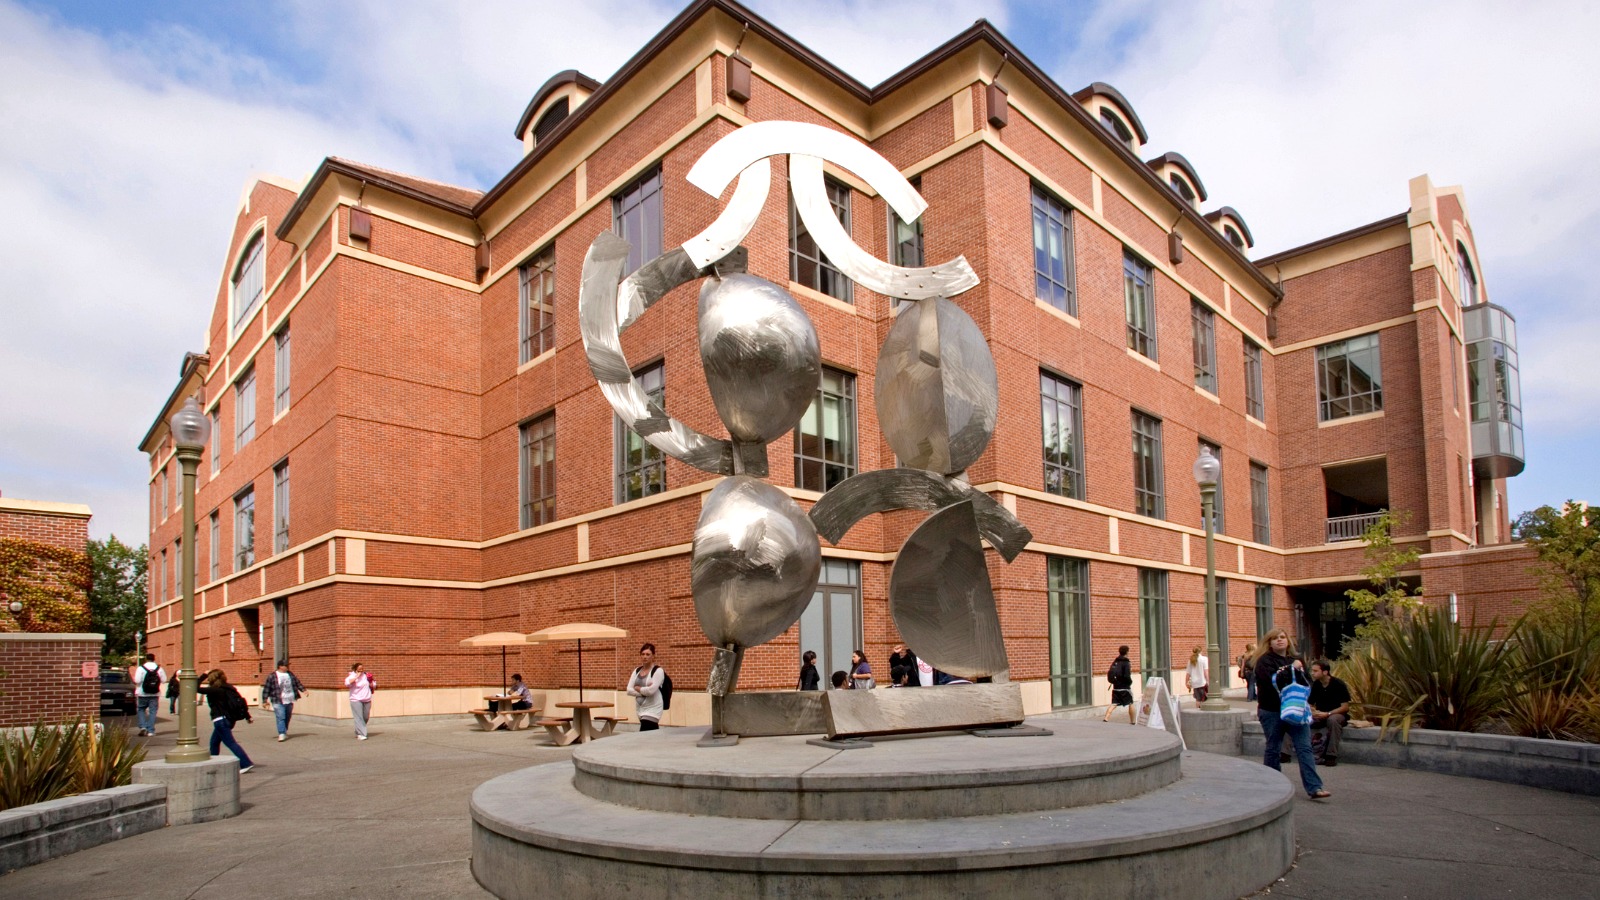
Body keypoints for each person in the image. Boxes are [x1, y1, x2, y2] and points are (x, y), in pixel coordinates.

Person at [1251, 629, 1330, 800]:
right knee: (1274, 748)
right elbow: (1272, 682)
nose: (1279, 640)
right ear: (1269, 643)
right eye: (1275, 638)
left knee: (1304, 747)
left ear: (1288, 641)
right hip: (1272, 710)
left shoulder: (1296, 659)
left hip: (1296, 709)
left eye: (1282, 637)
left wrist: (1297, 672)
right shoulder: (1264, 661)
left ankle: (1315, 787)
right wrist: (1290, 669)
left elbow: (1307, 682)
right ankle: (1273, 785)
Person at [196, 669, 254, 773]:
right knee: (214, 742)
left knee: (230, 743)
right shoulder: (229, 688)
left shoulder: (215, 690)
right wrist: (247, 716)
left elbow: (195, 688)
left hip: (220, 720)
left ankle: (246, 763)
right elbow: (240, 702)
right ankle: (213, 763)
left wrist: (203, 675)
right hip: (229, 719)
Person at [1308, 659, 1351, 766]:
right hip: (1320, 714)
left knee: (1333, 720)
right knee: (1297, 719)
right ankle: (1288, 753)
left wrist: (1328, 713)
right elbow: (1310, 703)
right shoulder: (1316, 685)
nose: (1312, 673)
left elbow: (1345, 707)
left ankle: (1331, 756)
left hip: (1336, 714)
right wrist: (1313, 711)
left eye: (1315, 671)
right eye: (1312, 671)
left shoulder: (1338, 684)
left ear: (1325, 672)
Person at [260, 661, 306, 742]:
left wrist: (303, 690)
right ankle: (281, 733)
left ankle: (284, 730)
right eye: (286, 666)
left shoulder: (290, 674)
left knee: (287, 716)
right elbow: (267, 688)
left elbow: (297, 682)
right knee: (281, 716)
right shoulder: (272, 676)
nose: (287, 667)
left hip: (289, 699)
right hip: (277, 700)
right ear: (280, 666)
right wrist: (264, 700)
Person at [625, 643, 666, 730]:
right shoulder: (637, 670)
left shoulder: (658, 671)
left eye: (648, 654)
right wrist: (643, 692)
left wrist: (638, 688)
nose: (645, 657)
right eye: (643, 654)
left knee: (644, 732)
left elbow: (651, 691)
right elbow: (629, 690)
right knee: (650, 735)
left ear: (653, 656)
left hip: (653, 709)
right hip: (640, 709)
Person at [132, 654, 166, 737]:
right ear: (154, 659)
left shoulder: (141, 668)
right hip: (154, 694)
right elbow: (164, 680)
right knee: (153, 712)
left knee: (141, 710)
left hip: (142, 693)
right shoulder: (159, 669)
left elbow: (137, 680)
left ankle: (143, 727)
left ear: (146, 659)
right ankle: (151, 731)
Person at [1104, 645, 1135, 723]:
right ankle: (1133, 721)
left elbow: (1111, 673)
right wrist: (1130, 682)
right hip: (1125, 687)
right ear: (1127, 652)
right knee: (1130, 703)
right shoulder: (1126, 662)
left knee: (1114, 703)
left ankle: (1106, 718)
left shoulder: (1115, 661)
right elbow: (1127, 675)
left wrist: (1114, 682)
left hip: (1116, 686)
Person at [345, 662, 375, 740]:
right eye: (359, 670)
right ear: (355, 669)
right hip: (356, 699)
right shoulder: (352, 676)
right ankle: (362, 734)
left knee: (365, 717)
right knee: (359, 717)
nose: (361, 671)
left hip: (367, 699)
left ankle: (357, 730)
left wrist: (372, 684)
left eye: (362, 669)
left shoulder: (367, 676)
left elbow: (374, 684)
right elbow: (347, 683)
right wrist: (356, 677)